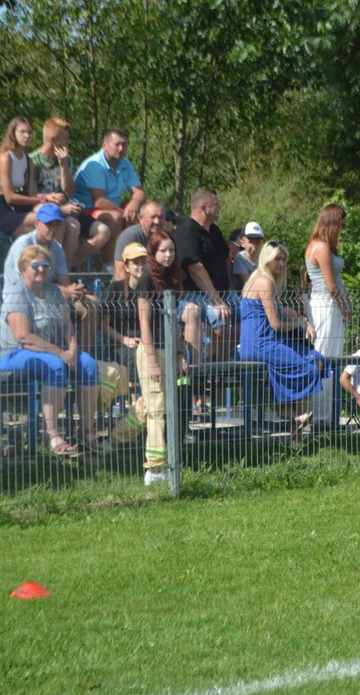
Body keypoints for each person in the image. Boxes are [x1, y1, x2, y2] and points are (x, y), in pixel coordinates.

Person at [0, 245, 99, 455]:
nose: (42, 269)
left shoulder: (54, 291)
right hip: (14, 354)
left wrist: (71, 349)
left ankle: (86, 431)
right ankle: (51, 434)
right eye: (36, 265)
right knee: (54, 365)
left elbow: (68, 325)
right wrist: (61, 354)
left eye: (46, 265)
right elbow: (23, 337)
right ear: (24, 268)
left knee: (88, 363)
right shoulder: (17, 292)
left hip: (53, 351)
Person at [238, 241, 326, 441]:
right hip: (260, 345)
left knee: (318, 359)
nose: (281, 263)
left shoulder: (264, 280)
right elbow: (276, 325)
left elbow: (273, 311)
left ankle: (292, 414)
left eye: (284, 259)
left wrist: (292, 313)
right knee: (311, 366)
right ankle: (291, 417)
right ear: (266, 259)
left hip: (269, 343)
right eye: (277, 258)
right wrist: (302, 321)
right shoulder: (264, 281)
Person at [3, 204, 99, 351]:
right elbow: (26, 284)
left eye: (57, 225)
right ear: (37, 224)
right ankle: (63, 354)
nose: (53, 229)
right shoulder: (23, 245)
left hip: (49, 297)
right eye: (49, 225)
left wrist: (75, 291)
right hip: (23, 300)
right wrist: (66, 290)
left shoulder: (56, 248)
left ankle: (83, 355)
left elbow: (65, 281)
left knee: (92, 304)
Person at [130, 234, 187, 484]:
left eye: (172, 250)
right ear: (153, 252)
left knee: (151, 405)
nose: (168, 255)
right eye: (163, 250)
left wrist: (179, 353)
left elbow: (174, 321)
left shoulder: (172, 279)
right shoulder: (146, 280)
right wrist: (152, 359)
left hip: (169, 350)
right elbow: (145, 323)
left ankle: (115, 438)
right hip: (150, 350)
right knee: (156, 409)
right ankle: (154, 468)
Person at [29, 117, 111, 269]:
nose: (68, 142)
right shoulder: (33, 162)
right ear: (54, 140)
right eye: (65, 139)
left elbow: (69, 191)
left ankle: (66, 267)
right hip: (45, 212)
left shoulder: (66, 160)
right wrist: (60, 209)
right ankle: (57, 274)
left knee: (104, 231)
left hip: (65, 210)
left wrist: (64, 166)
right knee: (70, 226)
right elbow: (31, 198)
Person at [305, 204, 352, 428]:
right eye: (341, 221)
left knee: (333, 357)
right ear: (333, 221)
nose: (343, 226)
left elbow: (337, 281)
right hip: (325, 306)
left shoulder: (327, 247)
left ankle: (328, 414)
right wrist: (343, 305)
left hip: (333, 306)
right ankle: (317, 415)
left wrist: (347, 303)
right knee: (323, 357)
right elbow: (331, 287)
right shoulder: (321, 247)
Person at [73, 128, 146, 269]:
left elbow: (140, 192)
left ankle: (142, 264)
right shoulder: (94, 165)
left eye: (124, 144)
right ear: (104, 145)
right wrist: (125, 212)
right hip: (85, 210)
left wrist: (135, 203)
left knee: (149, 214)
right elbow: (99, 201)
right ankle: (110, 268)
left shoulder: (125, 164)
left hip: (110, 207)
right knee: (116, 218)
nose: (121, 148)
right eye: (117, 144)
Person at [175, 188, 234, 363]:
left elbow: (226, 259)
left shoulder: (214, 231)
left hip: (223, 294)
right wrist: (217, 300)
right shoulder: (187, 231)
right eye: (216, 205)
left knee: (248, 311)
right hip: (197, 295)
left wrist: (229, 289)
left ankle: (219, 360)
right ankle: (206, 368)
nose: (220, 208)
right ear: (203, 207)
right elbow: (195, 268)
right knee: (220, 316)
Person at [0, 116, 42, 237]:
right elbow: (9, 197)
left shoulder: (28, 161)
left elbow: (31, 194)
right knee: (44, 223)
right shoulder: (6, 158)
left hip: (16, 208)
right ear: (13, 134)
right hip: (0, 210)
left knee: (55, 221)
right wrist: (43, 199)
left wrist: (47, 202)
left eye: (30, 132)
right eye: (22, 132)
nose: (27, 136)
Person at [113, 201, 164, 280]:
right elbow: (120, 275)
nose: (157, 221)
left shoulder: (166, 238)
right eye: (152, 217)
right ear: (140, 218)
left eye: (160, 217)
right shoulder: (129, 237)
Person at [232, 222, 264, 291]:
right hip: (245, 297)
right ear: (242, 243)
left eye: (258, 242)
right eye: (251, 241)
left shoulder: (263, 258)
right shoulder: (240, 258)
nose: (254, 246)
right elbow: (248, 283)